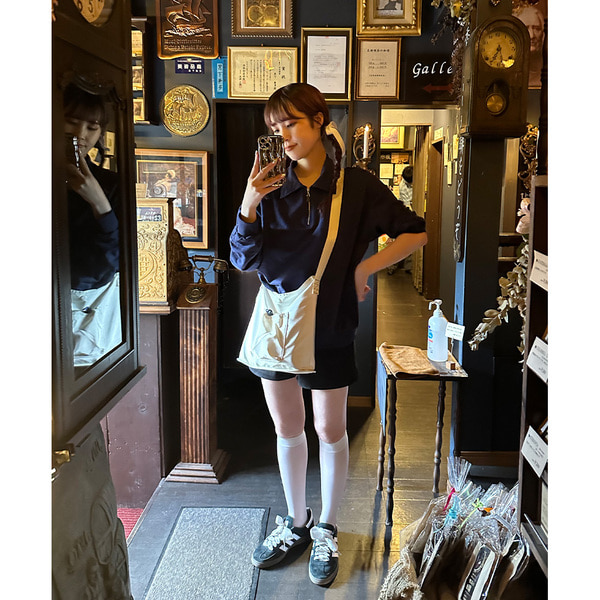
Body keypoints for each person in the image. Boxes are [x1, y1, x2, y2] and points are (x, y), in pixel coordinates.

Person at [229, 83, 427, 586]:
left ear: (320, 121)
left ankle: (327, 527)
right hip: (276, 324)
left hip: (331, 323)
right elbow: (243, 259)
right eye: (275, 127)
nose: (283, 135)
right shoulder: (268, 186)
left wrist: (366, 267)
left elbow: (416, 231)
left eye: (292, 123)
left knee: (330, 429)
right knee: (287, 428)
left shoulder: (355, 187)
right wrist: (250, 202)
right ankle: (296, 522)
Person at [64, 83, 121, 367]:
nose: (80, 134)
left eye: (91, 127)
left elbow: (105, 268)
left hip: (83, 321)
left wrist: (99, 202)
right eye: (71, 122)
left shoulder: (112, 185)